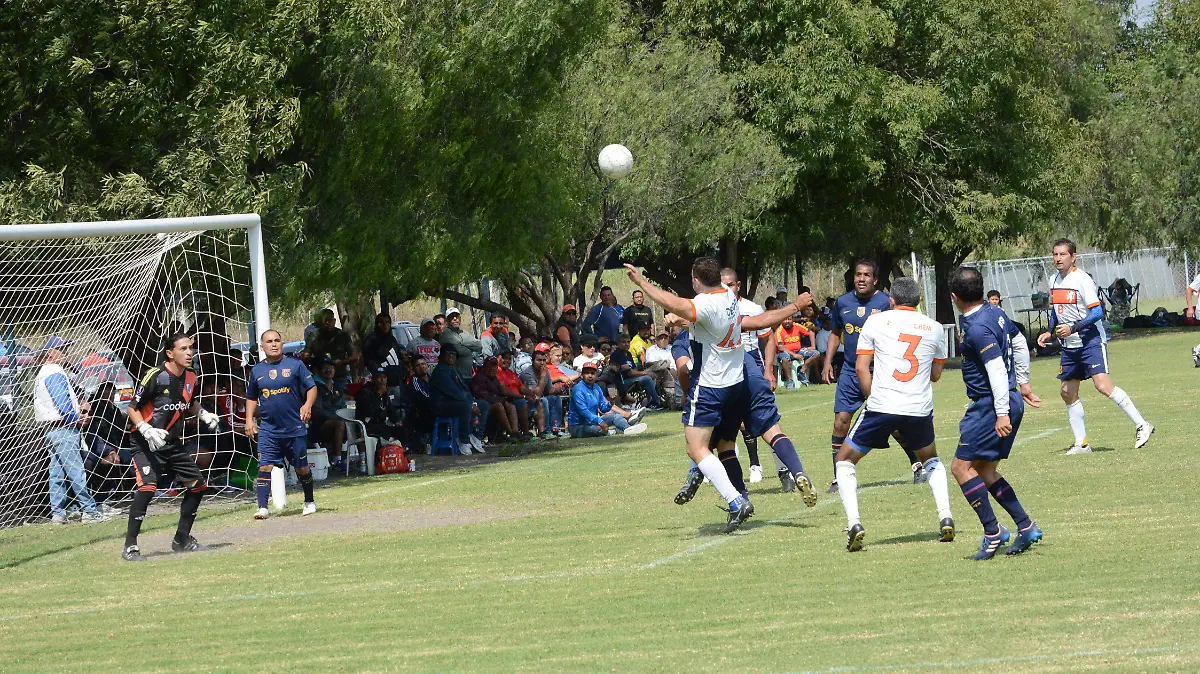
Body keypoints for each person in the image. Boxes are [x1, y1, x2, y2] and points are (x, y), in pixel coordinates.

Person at [624, 259, 805, 532]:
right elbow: (703, 319)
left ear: (697, 280)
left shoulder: (706, 304)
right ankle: (715, 483)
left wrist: (641, 283)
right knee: (721, 443)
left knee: (696, 448)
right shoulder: (730, 296)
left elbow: (675, 302)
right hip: (735, 383)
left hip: (710, 385)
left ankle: (735, 500)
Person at [673, 269, 818, 502]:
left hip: (730, 377)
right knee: (765, 431)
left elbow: (766, 330)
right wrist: (796, 306)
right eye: (723, 285)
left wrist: (769, 369)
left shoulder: (725, 308)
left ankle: (741, 497)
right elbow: (764, 322)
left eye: (730, 284)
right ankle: (794, 471)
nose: (727, 289)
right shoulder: (721, 307)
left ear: (738, 285)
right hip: (742, 370)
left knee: (721, 442)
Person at [835, 278, 954, 551]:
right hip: (918, 408)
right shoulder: (935, 329)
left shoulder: (876, 322)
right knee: (931, 460)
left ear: (891, 301)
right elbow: (936, 375)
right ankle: (945, 515)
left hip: (882, 404)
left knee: (844, 460)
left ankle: (854, 522)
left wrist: (872, 398)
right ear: (919, 300)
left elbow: (861, 368)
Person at [951, 266, 1045, 559]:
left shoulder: (977, 327)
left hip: (991, 405)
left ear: (954, 297)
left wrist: (1001, 412)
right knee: (985, 470)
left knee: (960, 468)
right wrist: (1024, 382)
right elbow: (1018, 341)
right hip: (1008, 399)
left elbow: (994, 369)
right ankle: (1026, 526)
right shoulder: (995, 313)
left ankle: (993, 532)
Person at [1036, 238, 1153, 453]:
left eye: (1063, 254)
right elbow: (1056, 310)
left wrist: (1073, 328)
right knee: (1067, 391)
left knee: (1103, 386)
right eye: (1055, 254)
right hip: (1070, 345)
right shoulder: (1053, 279)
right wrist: (1049, 330)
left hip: (1090, 339)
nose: (1058, 258)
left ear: (1073, 257)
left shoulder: (1081, 279)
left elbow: (1098, 312)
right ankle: (1082, 443)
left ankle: (1142, 424)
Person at [822, 260, 924, 494]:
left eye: (867, 275)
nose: (861, 279)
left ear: (875, 279)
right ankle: (840, 477)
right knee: (840, 422)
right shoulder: (843, 302)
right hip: (850, 370)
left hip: (881, 369)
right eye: (858, 274)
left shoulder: (887, 302)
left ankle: (917, 464)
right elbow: (835, 333)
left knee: (892, 423)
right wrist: (828, 361)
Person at [122, 332, 222, 561]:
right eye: (184, 349)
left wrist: (204, 414)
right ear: (170, 353)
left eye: (191, 348)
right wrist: (146, 429)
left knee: (198, 486)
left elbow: (190, 401)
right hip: (145, 442)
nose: (189, 353)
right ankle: (130, 546)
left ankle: (182, 539)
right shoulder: (155, 376)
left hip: (172, 443)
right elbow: (132, 407)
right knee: (147, 488)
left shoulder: (191, 377)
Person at [245, 330, 318, 520]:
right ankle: (262, 507)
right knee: (265, 466)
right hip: (269, 429)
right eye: (269, 341)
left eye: (277, 340)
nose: (274, 344)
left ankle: (309, 501)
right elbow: (251, 397)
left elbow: (312, 387)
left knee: (302, 468)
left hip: (294, 427)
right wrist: (249, 420)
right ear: (263, 347)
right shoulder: (257, 371)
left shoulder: (295, 365)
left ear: (282, 344)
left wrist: (307, 405)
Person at [35, 336, 105, 524]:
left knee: (56, 474)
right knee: (76, 471)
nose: (66, 352)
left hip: (50, 429)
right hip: (63, 428)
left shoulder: (44, 371)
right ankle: (89, 511)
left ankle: (58, 513)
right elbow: (62, 402)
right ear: (51, 352)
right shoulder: (54, 371)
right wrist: (77, 419)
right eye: (62, 349)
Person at [568, 362, 647, 437]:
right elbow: (584, 412)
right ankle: (615, 431)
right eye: (587, 373)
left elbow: (603, 407)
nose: (590, 376)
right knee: (597, 429)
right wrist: (600, 422)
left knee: (616, 416)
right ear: (582, 375)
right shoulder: (578, 390)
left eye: (592, 373)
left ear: (596, 375)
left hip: (592, 422)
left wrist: (611, 402)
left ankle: (628, 428)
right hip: (577, 426)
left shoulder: (596, 388)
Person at [430, 349, 485, 455]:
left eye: (454, 354)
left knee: (483, 404)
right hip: (441, 405)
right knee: (465, 406)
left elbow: (464, 388)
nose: (451, 356)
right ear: (441, 356)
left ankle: (476, 436)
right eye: (448, 353)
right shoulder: (440, 371)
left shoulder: (455, 369)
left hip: (456, 402)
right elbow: (452, 392)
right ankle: (463, 439)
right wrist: (469, 404)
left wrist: (472, 401)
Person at [310, 360, 348, 472]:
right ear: (318, 371)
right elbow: (318, 411)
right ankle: (337, 460)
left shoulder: (337, 387)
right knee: (339, 423)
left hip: (337, 421)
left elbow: (342, 406)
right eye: (325, 367)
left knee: (357, 423)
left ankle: (363, 459)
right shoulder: (315, 387)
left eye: (331, 367)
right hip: (319, 426)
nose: (328, 370)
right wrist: (336, 416)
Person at [610, 333, 664, 410]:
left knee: (654, 376)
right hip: (622, 383)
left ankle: (650, 400)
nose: (626, 344)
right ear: (618, 343)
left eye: (628, 342)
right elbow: (629, 373)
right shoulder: (617, 354)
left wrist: (642, 372)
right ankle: (654, 404)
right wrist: (646, 373)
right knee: (647, 378)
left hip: (632, 378)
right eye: (624, 342)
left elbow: (634, 369)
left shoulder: (628, 354)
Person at [520, 348, 565, 439]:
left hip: (539, 400)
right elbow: (537, 395)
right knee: (543, 400)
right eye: (539, 360)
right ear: (532, 361)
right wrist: (543, 377)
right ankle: (546, 431)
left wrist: (558, 390)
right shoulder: (527, 374)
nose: (542, 363)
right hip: (528, 403)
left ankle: (555, 429)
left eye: (544, 360)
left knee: (555, 398)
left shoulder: (545, 371)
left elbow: (549, 390)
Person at [472, 357, 520, 442]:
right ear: (484, 366)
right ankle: (511, 433)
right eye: (489, 366)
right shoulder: (479, 378)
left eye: (494, 366)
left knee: (511, 405)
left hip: (495, 402)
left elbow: (502, 392)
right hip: (482, 405)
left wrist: (519, 396)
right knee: (499, 406)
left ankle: (516, 432)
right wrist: (502, 400)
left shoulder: (494, 378)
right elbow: (483, 396)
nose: (492, 369)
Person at [307, 310, 359, 389]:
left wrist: (341, 362)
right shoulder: (314, 336)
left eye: (330, 320)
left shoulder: (342, 335)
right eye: (324, 320)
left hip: (339, 376)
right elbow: (306, 356)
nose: (327, 323)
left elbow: (354, 357)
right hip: (320, 378)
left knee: (339, 399)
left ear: (334, 321)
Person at [355, 368, 405, 442]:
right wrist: (378, 394)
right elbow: (369, 412)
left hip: (380, 425)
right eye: (379, 377)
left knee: (403, 430)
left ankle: (403, 451)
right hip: (366, 426)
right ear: (373, 379)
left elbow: (390, 409)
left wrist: (396, 421)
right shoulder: (365, 391)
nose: (382, 380)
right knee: (384, 433)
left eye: (384, 377)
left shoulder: (385, 392)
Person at [437, 307, 482, 379]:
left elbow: (479, 345)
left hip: (469, 376)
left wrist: (462, 343)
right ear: (447, 320)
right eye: (451, 317)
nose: (455, 319)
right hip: (455, 377)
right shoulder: (445, 334)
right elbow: (459, 351)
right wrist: (470, 348)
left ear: (460, 319)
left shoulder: (464, 332)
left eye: (457, 316)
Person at [497, 351, 533, 439]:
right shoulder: (496, 371)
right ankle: (521, 432)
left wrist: (532, 395)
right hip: (506, 398)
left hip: (517, 397)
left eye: (509, 358)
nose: (507, 361)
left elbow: (521, 387)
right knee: (523, 403)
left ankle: (543, 431)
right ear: (498, 358)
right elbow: (504, 391)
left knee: (541, 401)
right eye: (504, 358)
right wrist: (523, 396)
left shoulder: (510, 372)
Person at [362, 312, 406, 383]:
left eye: (387, 322)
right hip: (381, 381)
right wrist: (379, 372)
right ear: (377, 324)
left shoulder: (392, 339)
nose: (385, 325)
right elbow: (369, 361)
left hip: (396, 379)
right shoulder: (371, 339)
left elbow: (398, 357)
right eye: (382, 322)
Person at [775, 314, 815, 389]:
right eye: (785, 319)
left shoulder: (796, 325)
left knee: (816, 354)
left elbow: (810, 332)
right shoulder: (779, 331)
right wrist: (793, 354)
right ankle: (790, 381)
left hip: (798, 351)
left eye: (789, 319)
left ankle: (802, 372)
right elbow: (780, 347)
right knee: (785, 359)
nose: (787, 321)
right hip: (785, 352)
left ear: (792, 319)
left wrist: (813, 346)